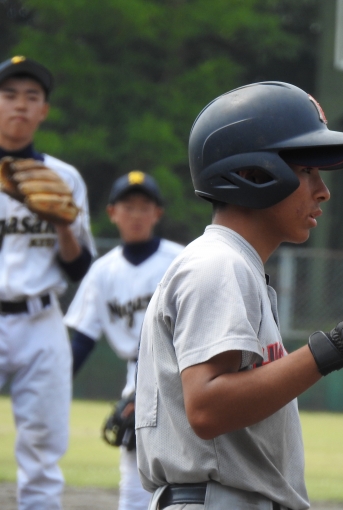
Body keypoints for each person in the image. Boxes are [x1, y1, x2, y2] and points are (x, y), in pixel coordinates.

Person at [135, 81, 343, 510]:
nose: (322, 190)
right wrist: (330, 350)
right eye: (307, 171)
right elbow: (207, 408)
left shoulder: (234, 264)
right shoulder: (218, 265)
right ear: (252, 174)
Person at [0, 56, 95, 509]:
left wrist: (61, 224)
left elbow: (79, 269)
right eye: (9, 95)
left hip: (41, 322)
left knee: (42, 450)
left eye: (31, 96)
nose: (20, 104)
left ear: (44, 111)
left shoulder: (63, 178)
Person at [64, 171, 183, 510]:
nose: (136, 215)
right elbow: (83, 339)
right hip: (138, 378)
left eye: (144, 206)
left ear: (157, 213)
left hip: (184, 368)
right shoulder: (102, 271)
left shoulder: (181, 259)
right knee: (134, 484)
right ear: (112, 212)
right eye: (128, 207)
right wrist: (57, 386)